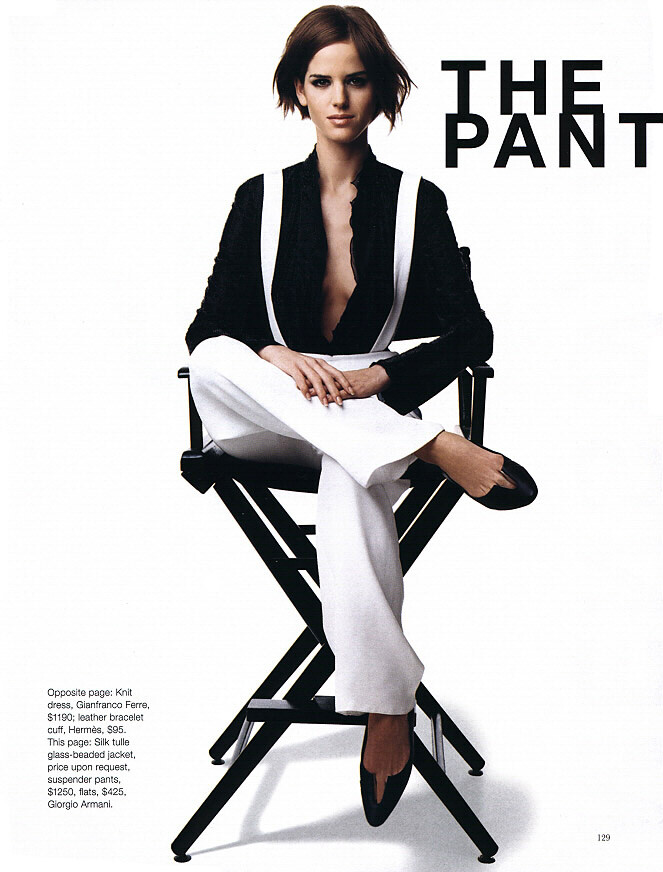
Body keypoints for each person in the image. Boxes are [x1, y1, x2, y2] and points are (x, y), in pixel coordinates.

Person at [185, 4, 536, 826]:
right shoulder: (258, 198)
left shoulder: (416, 202)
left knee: (353, 469)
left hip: (360, 411)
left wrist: (380, 376)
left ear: (381, 91)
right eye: (321, 82)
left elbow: (471, 332)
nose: (339, 99)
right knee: (211, 360)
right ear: (297, 92)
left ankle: (384, 708)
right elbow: (207, 329)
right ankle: (431, 443)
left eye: (356, 80)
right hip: (266, 405)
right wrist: (275, 356)